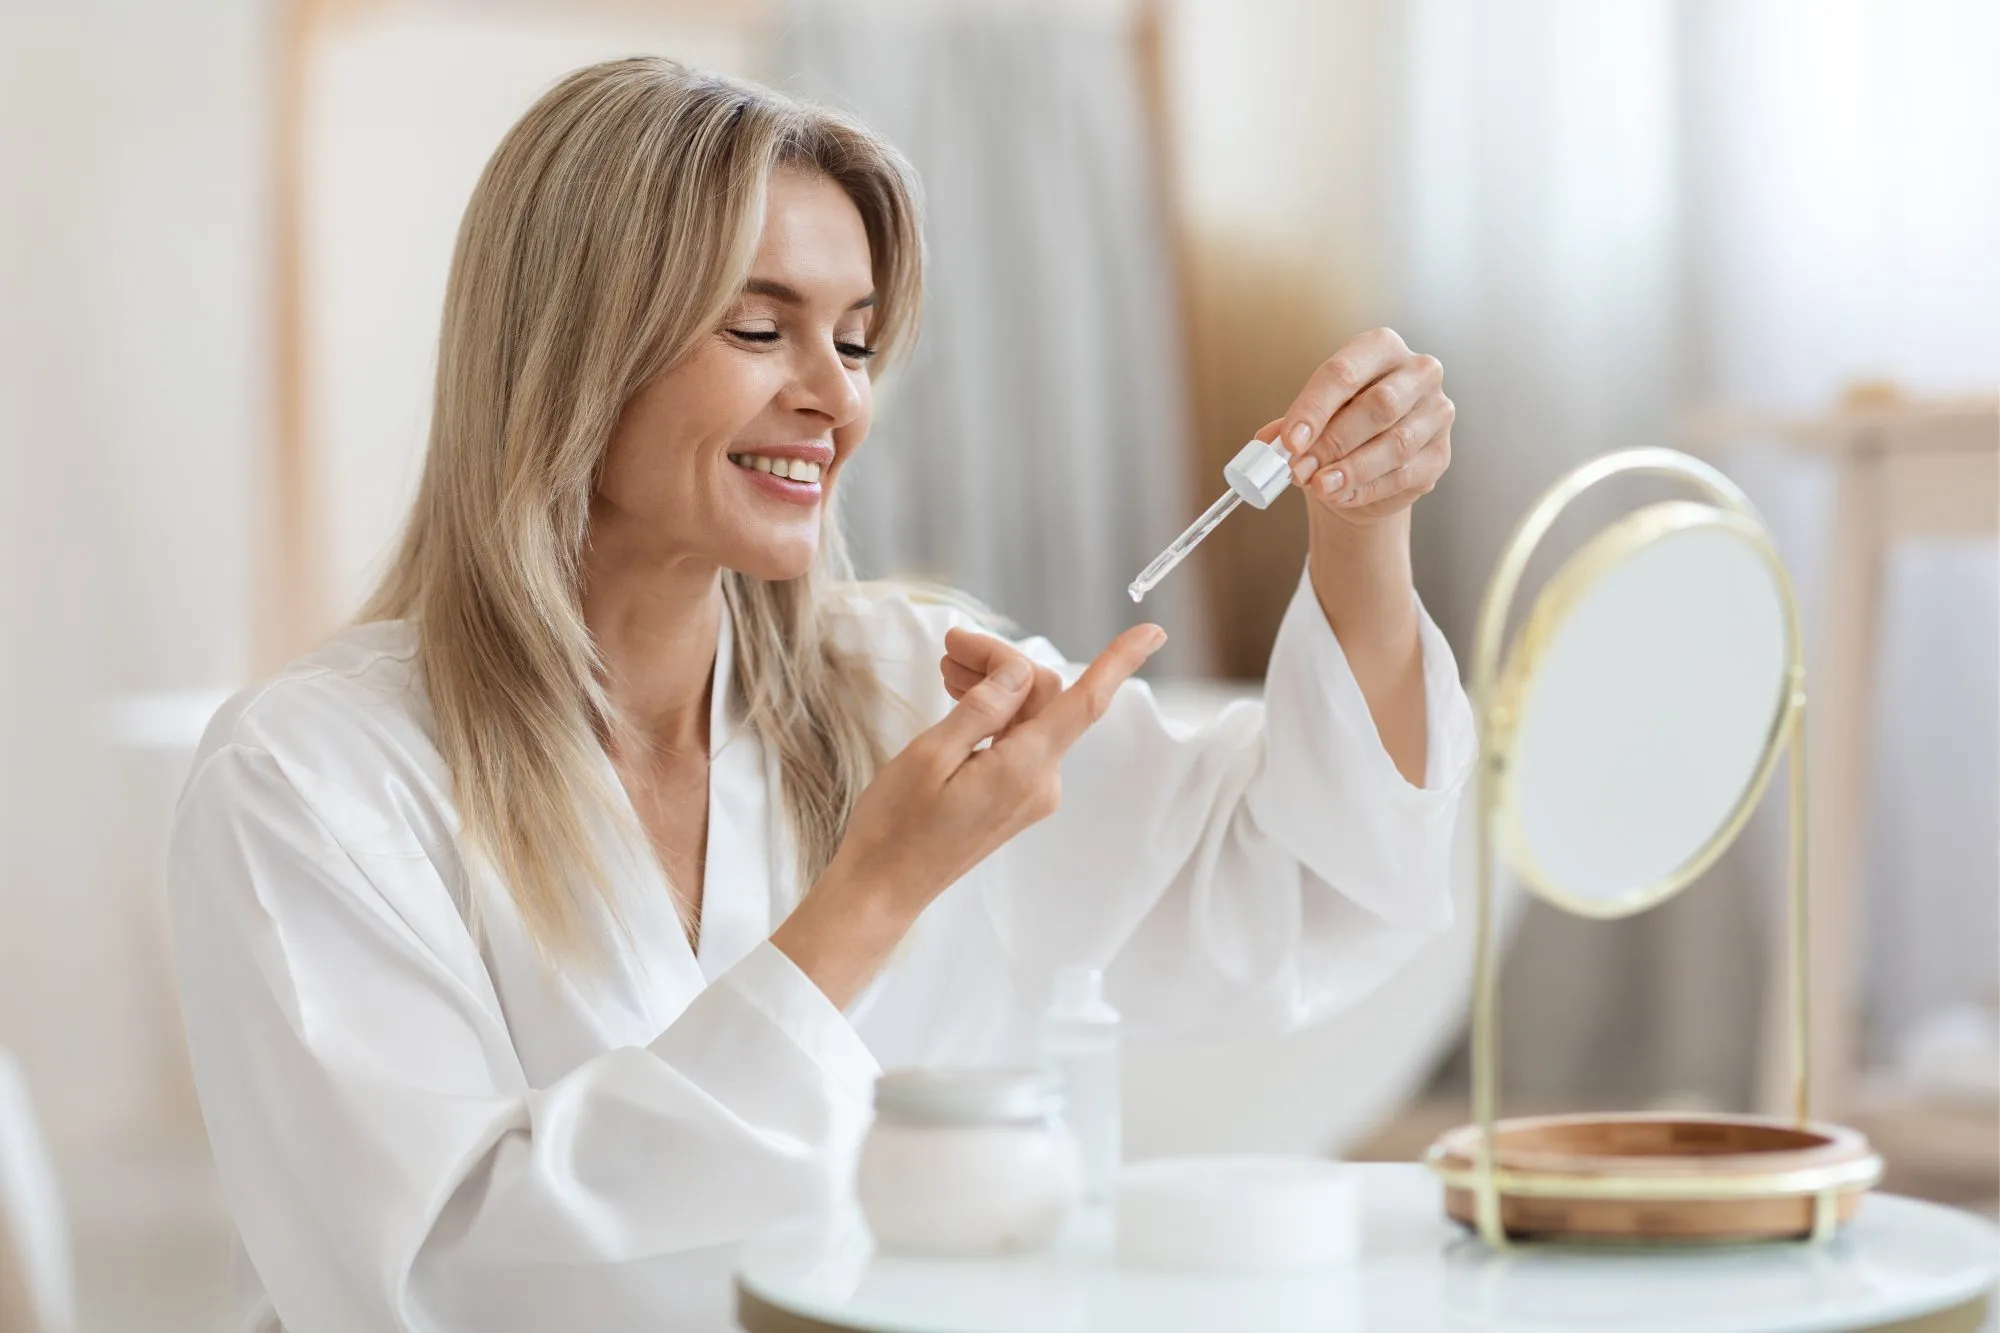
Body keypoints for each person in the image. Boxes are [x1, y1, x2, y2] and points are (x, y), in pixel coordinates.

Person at [166, 57, 1471, 1333]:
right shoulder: (312, 780)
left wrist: (1362, 532)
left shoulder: (911, 690)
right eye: (758, 328)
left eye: (854, 340)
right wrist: (877, 894)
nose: (836, 395)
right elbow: (442, 1278)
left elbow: (1320, 891)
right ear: (573, 346)